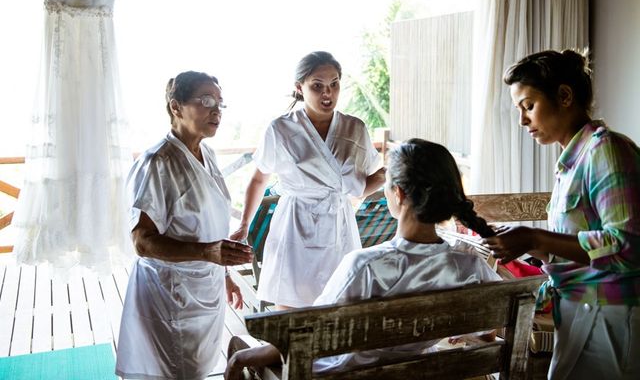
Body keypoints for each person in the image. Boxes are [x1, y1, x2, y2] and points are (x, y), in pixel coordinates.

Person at [224, 139, 501, 379]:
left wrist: (242, 358)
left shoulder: (365, 267)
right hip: (417, 371)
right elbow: (489, 333)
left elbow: (302, 338)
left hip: (341, 375)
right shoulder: (469, 265)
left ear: (399, 194)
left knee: (239, 349)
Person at [484, 50, 640, 380]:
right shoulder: (570, 164)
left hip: (610, 317)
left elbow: (627, 246)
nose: (522, 120)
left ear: (564, 96)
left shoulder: (606, 150)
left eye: (528, 106)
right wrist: (525, 242)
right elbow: (579, 250)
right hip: (577, 312)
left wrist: (536, 236)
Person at [115, 71, 253, 380]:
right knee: (176, 371)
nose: (216, 110)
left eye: (220, 102)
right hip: (170, 294)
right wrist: (208, 253)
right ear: (176, 107)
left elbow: (209, 225)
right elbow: (142, 241)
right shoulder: (157, 163)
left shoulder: (208, 154)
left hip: (205, 287)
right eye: (206, 101)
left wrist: (223, 273)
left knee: (197, 370)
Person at [231, 51, 385, 308]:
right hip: (295, 226)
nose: (328, 93)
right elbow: (259, 179)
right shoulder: (280, 129)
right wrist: (244, 225)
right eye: (317, 86)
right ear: (299, 87)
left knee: (339, 308)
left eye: (334, 84)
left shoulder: (354, 128)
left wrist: (391, 175)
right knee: (291, 314)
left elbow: (360, 187)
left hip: (339, 226)